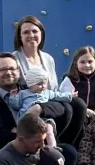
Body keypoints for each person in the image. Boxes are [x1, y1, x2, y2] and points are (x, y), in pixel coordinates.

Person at [12, 15, 88, 145]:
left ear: (41, 33)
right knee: (67, 109)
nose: (31, 35)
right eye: (26, 32)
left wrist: (66, 96)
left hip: (49, 98)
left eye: (35, 31)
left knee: (79, 105)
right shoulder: (14, 59)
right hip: (30, 103)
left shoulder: (48, 58)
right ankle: (56, 143)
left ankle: (67, 144)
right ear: (20, 36)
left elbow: (53, 87)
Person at [59, 46, 95, 114]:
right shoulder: (70, 80)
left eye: (90, 62)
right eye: (82, 62)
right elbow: (66, 101)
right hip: (76, 115)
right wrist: (85, 111)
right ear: (76, 63)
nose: (87, 65)